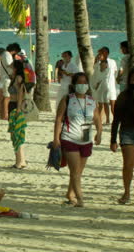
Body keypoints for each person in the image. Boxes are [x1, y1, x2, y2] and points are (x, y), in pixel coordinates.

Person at [53, 72, 102, 207]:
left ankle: (70, 194)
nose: (82, 85)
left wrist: (99, 132)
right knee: (75, 171)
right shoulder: (67, 99)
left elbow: (97, 117)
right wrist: (56, 138)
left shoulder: (91, 100)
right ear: (74, 85)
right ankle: (80, 199)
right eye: (79, 82)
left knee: (78, 172)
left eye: (84, 82)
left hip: (86, 140)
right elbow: (58, 119)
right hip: (70, 138)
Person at [110, 67, 134, 205]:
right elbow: (116, 120)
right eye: (133, 79)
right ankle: (127, 192)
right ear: (129, 81)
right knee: (129, 164)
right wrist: (113, 140)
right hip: (127, 132)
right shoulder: (123, 96)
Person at [7, 60, 28, 169]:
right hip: (12, 105)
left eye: (12, 66)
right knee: (14, 134)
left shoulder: (19, 78)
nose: (10, 66)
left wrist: (19, 109)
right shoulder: (15, 77)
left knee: (17, 134)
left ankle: (19, 161)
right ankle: (21, 160)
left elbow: (21, 94)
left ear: (16, 67)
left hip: (16, 107)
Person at [0, 43, 21, 120]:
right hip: (7, 78)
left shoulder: (4, 54)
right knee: (7, 97)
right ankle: (5, 115)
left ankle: (3, 114)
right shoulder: (7, 54)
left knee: (5, 97)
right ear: (14, 50)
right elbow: (10, 65)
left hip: (4, 78)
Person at [92, 55, 112, 124]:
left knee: (105, 103)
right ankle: (99, 119)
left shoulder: (107, 70)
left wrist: (97, 86)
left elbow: (101, 80)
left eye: (104, 64)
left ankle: (107, 119)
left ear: (106, 65)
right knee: (100, 104)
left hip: (104, 87)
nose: (102, 66)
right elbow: (95, 65)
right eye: (102, 64)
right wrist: (97, 58)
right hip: (99, 88)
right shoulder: (98, 68)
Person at [100, 47, 118, 117]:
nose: (102, 53)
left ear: (107, 53)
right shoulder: (100, 62)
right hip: (104, 85)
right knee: (105, 103)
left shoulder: (112, 61)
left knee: (112, 103)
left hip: (111, 85)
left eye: (103, 52)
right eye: (101, 52)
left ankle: (115, 118)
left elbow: (115, 71)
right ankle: (107, 119)